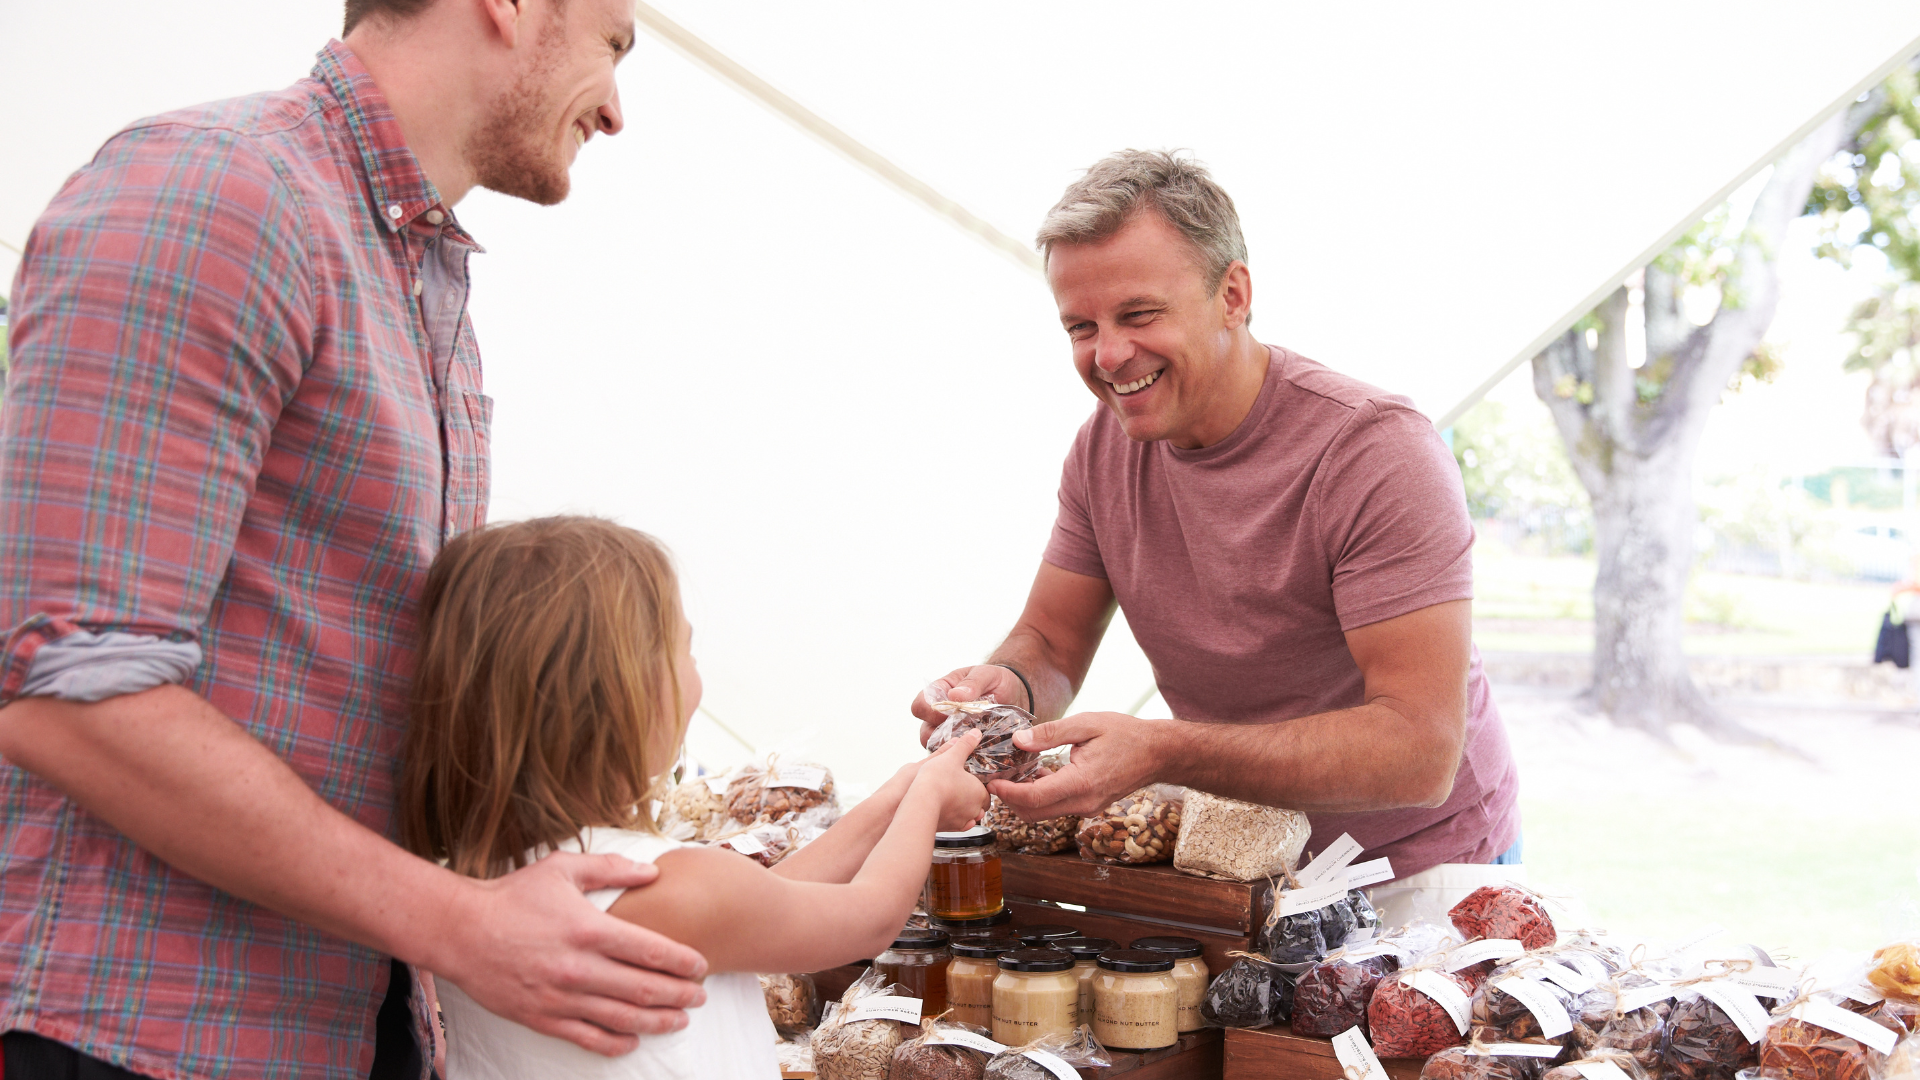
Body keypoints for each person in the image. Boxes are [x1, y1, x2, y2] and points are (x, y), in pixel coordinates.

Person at [0, 1, 707, 1075]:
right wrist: (461, 925)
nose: (615, 109)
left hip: (333, 1017)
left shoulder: (412, 275)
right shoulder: (220, 193)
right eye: (614, 44)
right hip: (136, 1031)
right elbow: (59, 686)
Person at [911, 150, 1522, 918]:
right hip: (1235, 864)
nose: (1107, 356)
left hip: (1418, 871)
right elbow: (1050, 640)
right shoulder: (1103, 449)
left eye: (1139, 315)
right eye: (1081, 326)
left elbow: (1418, 751)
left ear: (1233, 294)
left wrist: (1165, 751)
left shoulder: (1373, 451)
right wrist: (1010, 689)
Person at [403, 515, 989, 1078]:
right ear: (627, 699)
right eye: (685, 651)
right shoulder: (675, 885)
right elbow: (870, 917)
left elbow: (773, 897)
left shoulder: (471, 885)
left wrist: (897, 793)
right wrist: (931, 796)